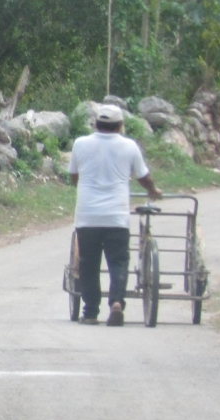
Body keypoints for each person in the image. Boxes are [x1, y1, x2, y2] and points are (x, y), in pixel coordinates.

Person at [68, 105, 160, 326]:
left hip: (88, 216)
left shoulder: (81, 144)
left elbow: (73, 177)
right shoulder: (129, 146)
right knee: (118, 262)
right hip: (117, 217)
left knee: (89, 264)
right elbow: (143, 176)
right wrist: (153, 191)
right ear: (120, 126)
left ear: (96, 124)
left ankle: (90, 312)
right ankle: (117, 303)